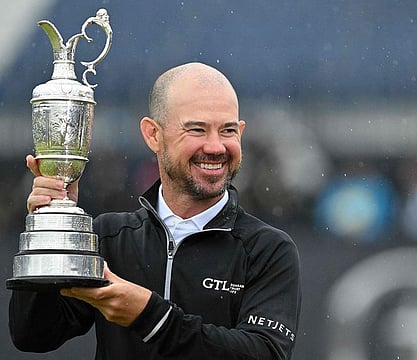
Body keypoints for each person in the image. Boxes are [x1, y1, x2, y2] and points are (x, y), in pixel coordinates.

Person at [9, 62, 302, 359]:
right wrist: (47, 230)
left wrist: (152, 317)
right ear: (153, 135)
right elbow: (33, 334)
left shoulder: (267, 250)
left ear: (241, 132)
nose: (215, 147)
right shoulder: (108, 236)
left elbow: (265, 354)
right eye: (197, 129)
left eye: (227, 130)